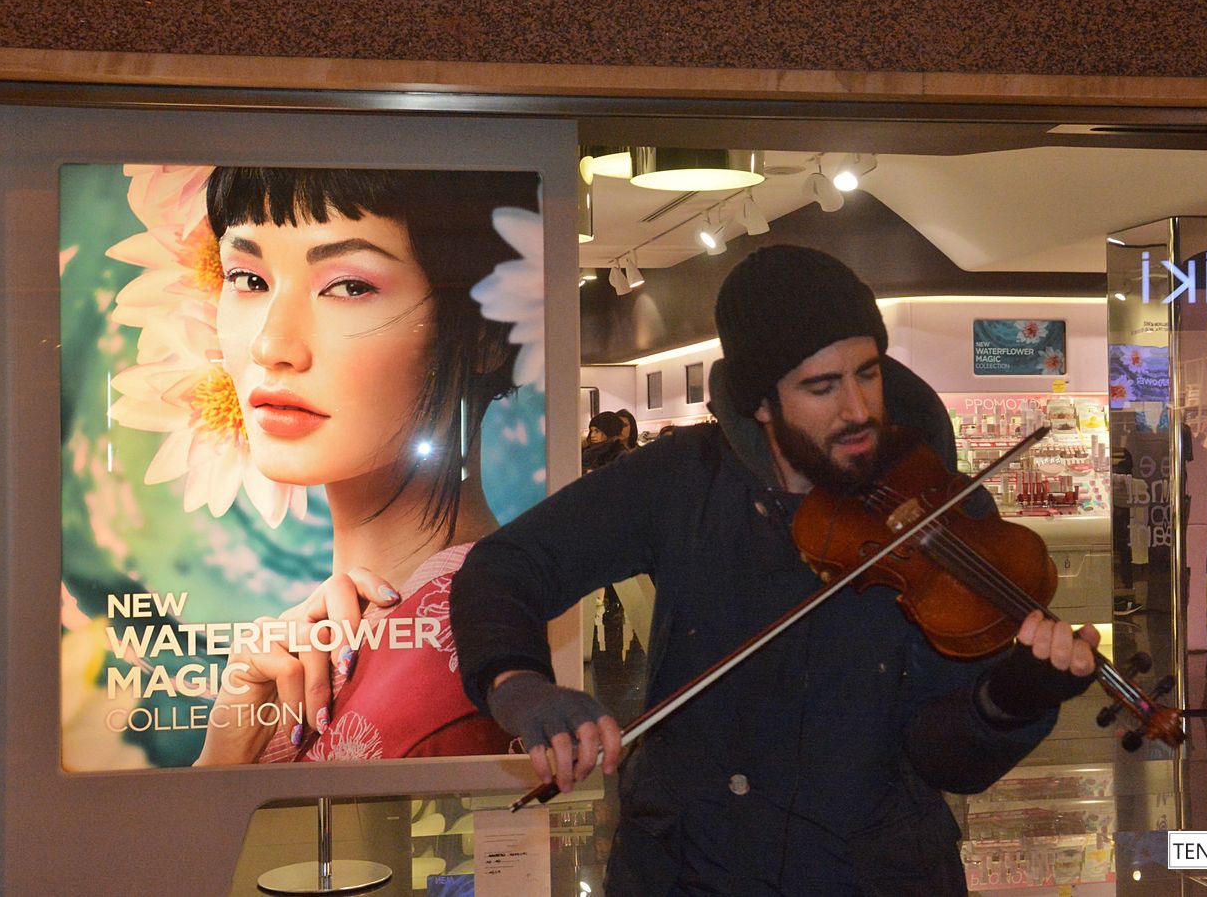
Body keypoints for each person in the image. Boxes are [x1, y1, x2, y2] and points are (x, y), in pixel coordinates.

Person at [453, 245, 1100, 895]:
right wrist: (521, 686)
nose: (858, 409)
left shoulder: (946, 512)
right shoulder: (684, 478)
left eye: (868, 373)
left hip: (874, 876)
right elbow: (507, 565)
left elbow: (941, 757)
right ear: (761, 402)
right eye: (822, 387)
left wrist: (1011, 698)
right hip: (690, 870)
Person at [194, 167, 538, 764]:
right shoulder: (359, 627)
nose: (271, 345)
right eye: (248, 278)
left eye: (349, 287)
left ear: (484, 333)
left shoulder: (449, 666)